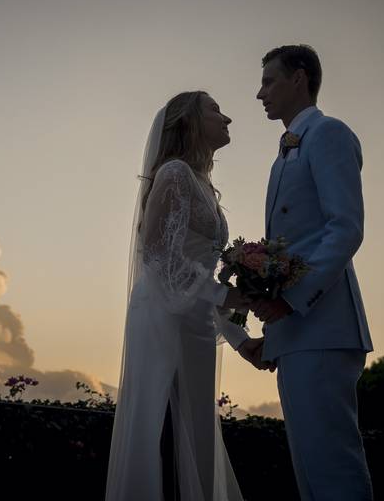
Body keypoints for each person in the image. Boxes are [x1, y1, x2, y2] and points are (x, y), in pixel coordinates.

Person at [105, 91, 272, 501]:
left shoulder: (201, 183)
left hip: (195, 321)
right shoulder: (174, 174)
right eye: (216, 110)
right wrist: (228, 296)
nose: (227, 118)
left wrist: (240, 339)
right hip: (162, 318)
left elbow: (199, 274)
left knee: (198, 430)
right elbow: (161, 258)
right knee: (159, 430)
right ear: (189, 122)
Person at [252, 44, 374, 500]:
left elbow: (345, 229)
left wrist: (290, 300)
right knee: (311, 474)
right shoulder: (285, 152)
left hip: (322, 325)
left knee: (332, 469)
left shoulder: (328, 134)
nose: (260, 93)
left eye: (269, 81)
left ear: (299, 78)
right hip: (298, 332)